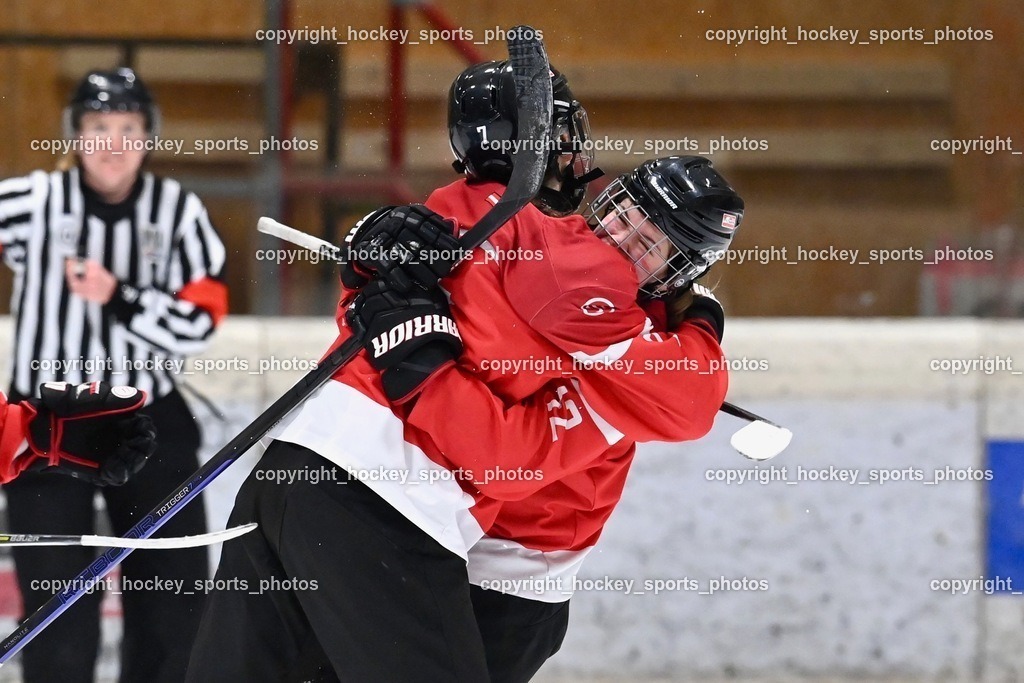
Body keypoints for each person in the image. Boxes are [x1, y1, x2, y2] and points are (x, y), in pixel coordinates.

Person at [186, 59, 728, 682]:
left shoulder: (442, 216)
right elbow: (681, 405)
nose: (624, 239)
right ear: (543, 144)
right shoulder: (574, 268)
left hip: (291, 473)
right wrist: (700, 322)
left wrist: (377, 277)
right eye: (627, 218)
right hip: (390, 504)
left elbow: (377, 313)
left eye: (652, 241)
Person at [0, 67, 228, 683]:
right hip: (44, 423)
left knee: (172, 599)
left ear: (148, 135)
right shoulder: (31, 201)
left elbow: (202, 320)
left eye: (128, 128)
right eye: (99, 126)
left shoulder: (177, 211)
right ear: (75, 134)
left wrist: (120, 296)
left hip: (148, 420)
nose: (114, 143)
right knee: (56, 606)